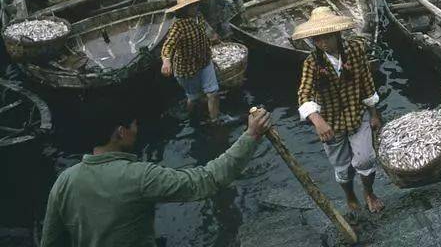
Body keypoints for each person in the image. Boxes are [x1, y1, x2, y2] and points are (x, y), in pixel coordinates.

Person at [40, 103, 271, 247]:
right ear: (120, 133)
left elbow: (50, 241)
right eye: (133, 125)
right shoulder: (139, 176)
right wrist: (250, 136)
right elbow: (206, 180)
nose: (136, 130)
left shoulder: (65, 180)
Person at [294, 7, 384, 213]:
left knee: (366, 159)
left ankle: (368, 192)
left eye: (325, 37)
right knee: (342, 168)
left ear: (337, 34)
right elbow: (304, 94)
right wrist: (317, 120)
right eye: (317, 39)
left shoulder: (355, 50)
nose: (321, 43)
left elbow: (367, 83)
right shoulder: (311, 62)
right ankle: (350, 195)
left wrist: (374, 114)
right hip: (331, 123)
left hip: (356, 115)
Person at [160, 0, 221, 123]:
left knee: (213, 93)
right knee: (194, 97)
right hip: (187, 70)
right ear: (184, 9)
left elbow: (206, 30)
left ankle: (215, 121)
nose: (196, 7)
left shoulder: (198, 17)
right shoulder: (178, 26)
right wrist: (166, 61)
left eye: (196, 4)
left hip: (205, 61)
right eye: (192, 6)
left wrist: (214, 37)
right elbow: (168, 45)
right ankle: (190, 116)